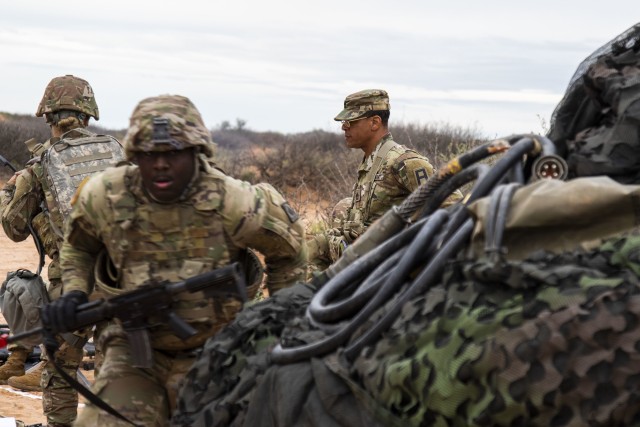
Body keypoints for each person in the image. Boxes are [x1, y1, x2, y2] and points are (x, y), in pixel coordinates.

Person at [43, 94, 308, 426]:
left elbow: (290, 250)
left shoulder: (233, 201)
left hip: (219, 347)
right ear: (134, 155)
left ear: (197, 152)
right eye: (149, 155)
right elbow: (78, 247)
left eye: (173, 153)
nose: (161, 164)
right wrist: (74, 293)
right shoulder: (105, 196)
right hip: (134, 348)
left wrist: (283, 320)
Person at [0, 74, 102, 427]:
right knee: (117, 369)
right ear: (89, 114)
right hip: (123, 278)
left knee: (60, 365)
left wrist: (10, 192)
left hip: (72, 285)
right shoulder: (118, 154)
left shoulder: (42, 162)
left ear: (47, 115)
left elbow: (13, 228)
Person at [308, 89, 461, 271]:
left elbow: (455, 209)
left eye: (351, 122)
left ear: (374, 122)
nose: (344, 127)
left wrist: (396, 236)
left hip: (387, 270)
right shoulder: (372, 160)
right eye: (344, 122)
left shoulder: (404, 162)